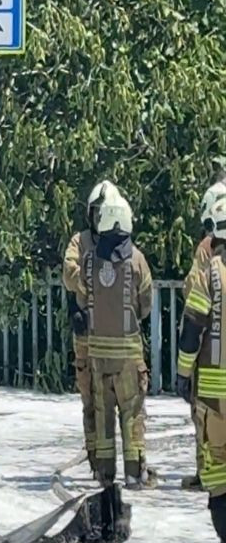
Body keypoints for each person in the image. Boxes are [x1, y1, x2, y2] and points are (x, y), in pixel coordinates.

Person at [74, 190, 155, 489]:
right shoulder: (137, 260)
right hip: (128, 358)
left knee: (103, 414)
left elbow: (83, 298)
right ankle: (134, 473)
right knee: (132, 414)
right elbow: (146, 304)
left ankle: (104, 474)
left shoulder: (88, 261)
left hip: (97, 355)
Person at [176, 195, 226, 543]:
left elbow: (193, 328)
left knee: (219, 472)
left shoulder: (208, 273)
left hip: (214, 394)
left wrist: (182, 372)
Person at [63, 180, 120, 477]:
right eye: (97, 212)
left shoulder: (122, 244)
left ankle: (127, 464)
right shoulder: (80, 241)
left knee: (120, 400)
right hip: (87, 334)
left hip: (114, 335)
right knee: (90, 401)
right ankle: (96, 461)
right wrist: (92, 280)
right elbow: (68, 273)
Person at [181, 179, 226, 490]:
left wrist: (183, 372)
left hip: (211, 370)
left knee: (207, 429)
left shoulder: (206, 255)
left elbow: (194, 306)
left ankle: (206, 476)